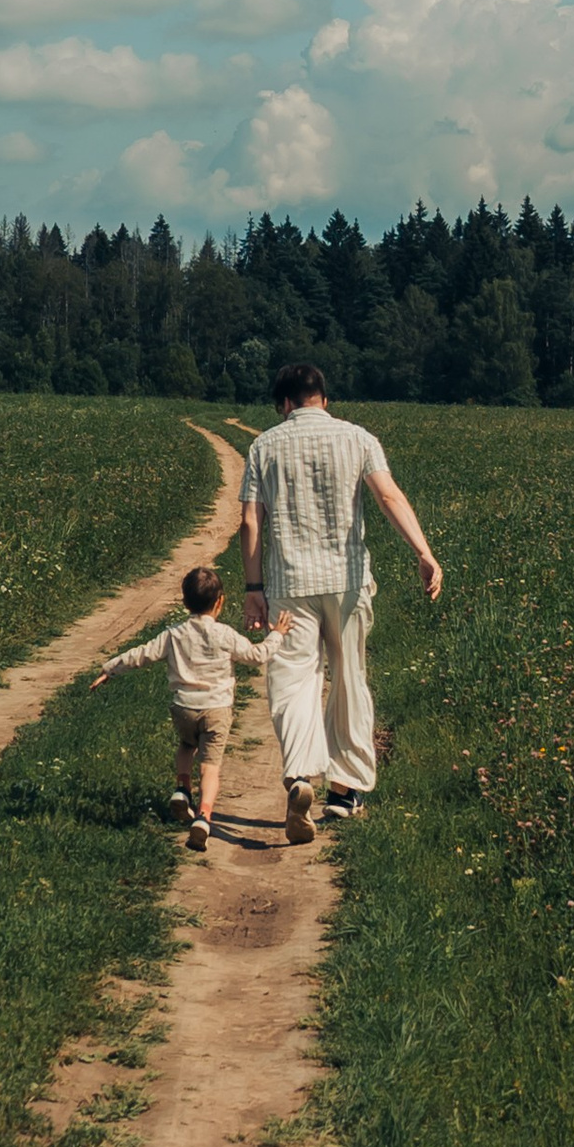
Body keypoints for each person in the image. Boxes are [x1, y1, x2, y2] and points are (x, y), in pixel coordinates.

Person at [240, 361, 443, 843]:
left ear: (284, 404)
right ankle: (345, 791)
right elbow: (389, 496)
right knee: (349, 679)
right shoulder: (358, 438)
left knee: (292, 682)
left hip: (289, 584)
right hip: (347, 583)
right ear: (323, 400)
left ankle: (299, 776)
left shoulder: (263, 445)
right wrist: (424, 552)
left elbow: (251, 523)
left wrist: (252, 591)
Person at [93, 563, 291, 850]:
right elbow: (257, 655)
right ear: (221, 602)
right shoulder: (224, 635)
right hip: (217, 709)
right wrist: (278, 635)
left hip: (183, 707)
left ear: (184, 602)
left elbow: (143, 654)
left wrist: (110, 669)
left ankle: (182, 788)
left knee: (187, 745)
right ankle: (204, 815)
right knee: (210, 767)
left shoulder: (173, 634)